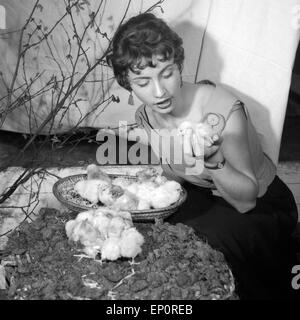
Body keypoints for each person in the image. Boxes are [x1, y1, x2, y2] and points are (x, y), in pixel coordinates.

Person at [106, 12, 299, 299]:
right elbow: (176, 171)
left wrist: (212, 159)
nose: (159, 91)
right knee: (144, 232)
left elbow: (246, 200)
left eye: (167, 74)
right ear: (128, 85)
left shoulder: (222, 111)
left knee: (198, 247)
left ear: (179, 65)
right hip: (203, 193)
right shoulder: (147, 115)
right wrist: (145, 195)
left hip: (260, 206)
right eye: (143, 82)